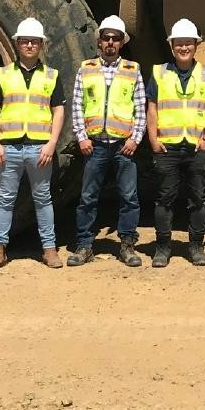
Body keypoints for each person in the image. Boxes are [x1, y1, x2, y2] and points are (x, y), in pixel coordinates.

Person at [0, 18, 67, 271]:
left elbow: (59, 111)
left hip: (39, 149)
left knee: (43, 199)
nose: (29, 45)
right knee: (5, 199)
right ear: (17, 44)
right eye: (24, 41)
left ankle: (49, 250)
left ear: (41, 45)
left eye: (34, 41)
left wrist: (52, 143)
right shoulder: (3, 74)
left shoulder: (52, 76)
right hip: (9, 148)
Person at [68, 14, 147, 268]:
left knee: (129, 197)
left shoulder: (132, 70)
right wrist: (81, 137)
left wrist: (135, 139)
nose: (110, 42)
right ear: (99, 42)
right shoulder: (86, 69)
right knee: (88, 197)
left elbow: (140, 108)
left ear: (122, 42)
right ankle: (84, 245)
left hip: (124, 146)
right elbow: (77, 105)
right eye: (106, 38)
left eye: (115, 38)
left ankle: (127, 245)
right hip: (95, 145)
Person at [146, 18, 205, 267]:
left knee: (198, 198)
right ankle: (163, 247)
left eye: (188, 43)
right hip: (168, 146)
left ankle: (196, 246)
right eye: (179, 43)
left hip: (197, 146)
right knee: (165, 198)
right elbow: (152, 108)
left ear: (196, 46)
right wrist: (153, 139)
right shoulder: (159, 72)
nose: (184, 48)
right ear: (172, 46)